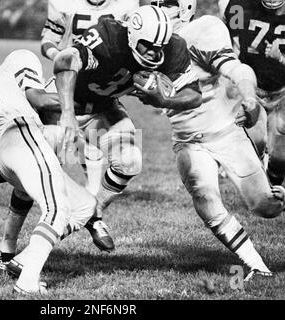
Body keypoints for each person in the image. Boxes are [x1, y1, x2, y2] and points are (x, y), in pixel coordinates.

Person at [136, 3, 285, 280]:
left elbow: (238, 70)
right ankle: (255, 264)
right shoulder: (140, 42)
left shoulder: (202, 30)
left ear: (185, 8)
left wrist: (249, 98)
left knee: (264, 205)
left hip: (226, 131)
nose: (158, 8)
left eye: (165, 3)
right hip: (187, 139)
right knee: (204, 196)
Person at [52, 4, 203, 250]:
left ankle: (94, 212)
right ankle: (11, 246)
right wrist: (67, 113)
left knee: (130, 160)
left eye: (159, 47)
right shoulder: (109, 36)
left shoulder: (173, 47)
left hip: (104, 107)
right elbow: (64, 60)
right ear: (133, 35)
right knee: (38, 170)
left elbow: (194, 95)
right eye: (148, 46)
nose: (155, 54)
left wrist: (164, 100)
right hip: (64, 102)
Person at [0, 49, 98, 294]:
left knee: (85, 206)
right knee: (58, 208)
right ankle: (27, 283)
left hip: (9, 149)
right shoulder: (24, 57)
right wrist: (88, 105)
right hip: (20, 133)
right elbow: (39, 99)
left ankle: (21, 258)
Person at [40, 0, 139, 200]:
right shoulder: (64, 3)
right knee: (47, 153)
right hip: (69, 86)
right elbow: (48, 41)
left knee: (128, 155)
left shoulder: (127, 5)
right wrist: (62, 57)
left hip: (102, 91)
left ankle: (93, 204)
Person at [220, 0, 285, 186]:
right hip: (252, 91)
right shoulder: (241, 7)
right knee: (254, 145)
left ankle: (271, 199)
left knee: (279, 167)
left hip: (281, 93)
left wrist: (280, 58)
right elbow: (229, 46)